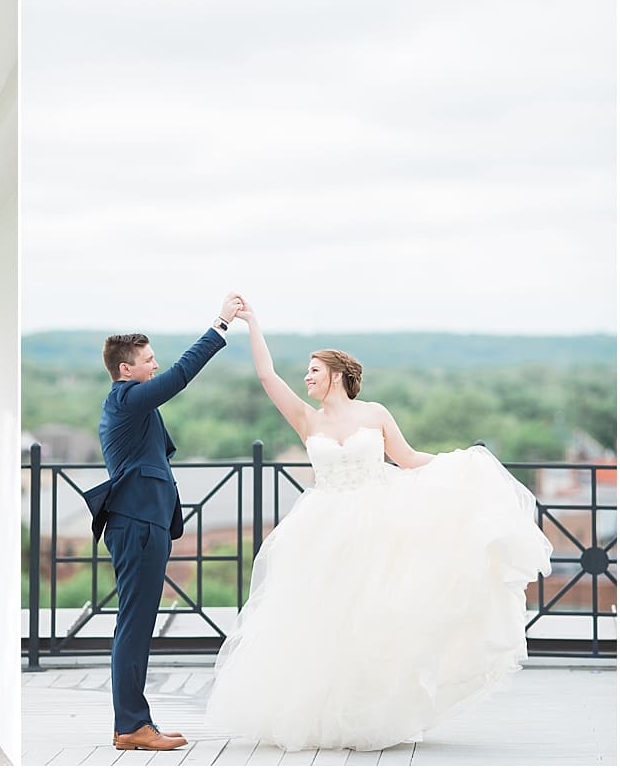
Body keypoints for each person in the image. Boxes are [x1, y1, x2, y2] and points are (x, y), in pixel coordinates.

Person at [205, 299, 553, 752]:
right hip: (322, 527)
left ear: (335, 375)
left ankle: (369, 716)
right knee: (324, 620)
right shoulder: (306, 418)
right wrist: (251, 323)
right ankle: (320, 715)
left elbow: (407, 460)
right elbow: (267, 376)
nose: (306, 377)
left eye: (313, 370)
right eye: (306, 371)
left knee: (374, 620)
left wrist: (461, 466)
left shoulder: (375, 413)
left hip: (378, 522)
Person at [84, 292, 244, 752]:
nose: (155, 365)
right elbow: (180, 376)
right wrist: (220, 324)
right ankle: (131, 725)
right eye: (148, 360)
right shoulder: (128, 400)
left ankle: (136, 721)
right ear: (126, 369)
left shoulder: (131, 403)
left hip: (143, 522)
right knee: (134, 624)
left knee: (137, 623)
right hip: (136, 523)